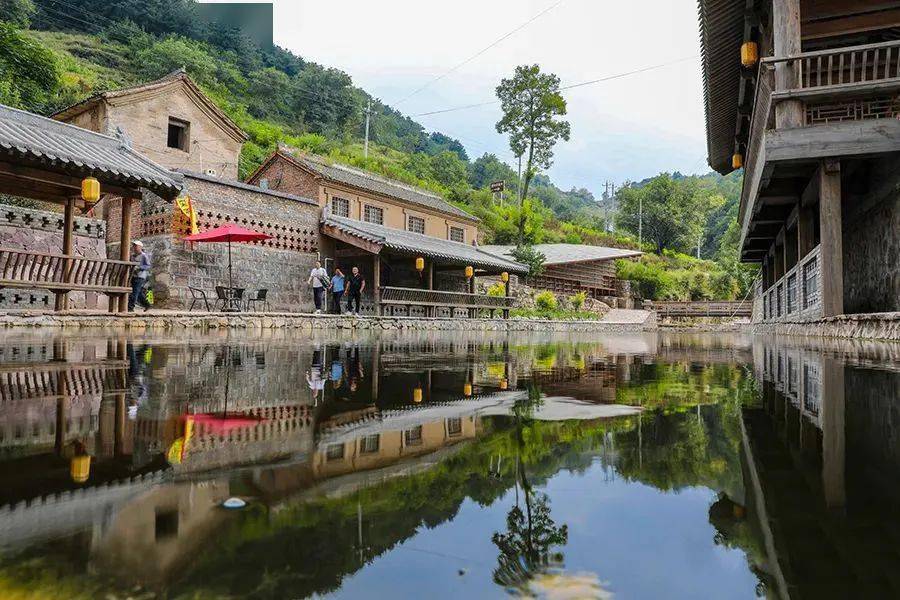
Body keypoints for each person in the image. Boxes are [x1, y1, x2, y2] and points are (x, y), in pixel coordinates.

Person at [128, 240, 151, 312]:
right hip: (133, 275)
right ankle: (147, 304)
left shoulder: (144, 256)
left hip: (140, 276)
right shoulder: (132, 256)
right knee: (139, 292)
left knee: (134, 292)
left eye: (136, 246)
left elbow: (147, 266)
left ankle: (130, 307)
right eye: (134, 246)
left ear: (140, 247)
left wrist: (139, 267)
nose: (134, 247)